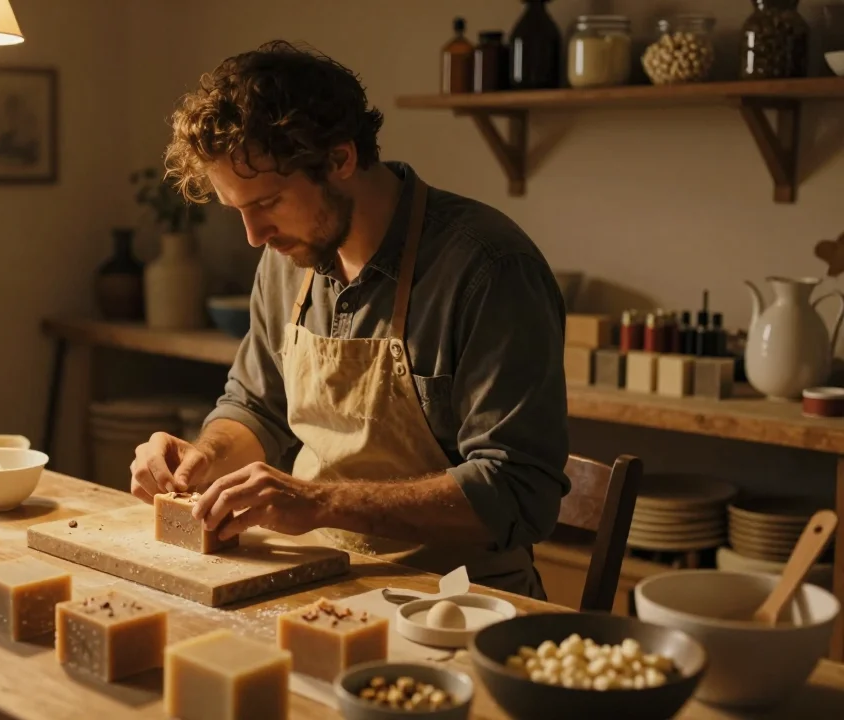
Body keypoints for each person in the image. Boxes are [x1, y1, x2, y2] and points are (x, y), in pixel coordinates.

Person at [130, 41, 569, 598]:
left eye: (266, 203)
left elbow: (519, 490)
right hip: (314, 576)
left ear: (340, 160)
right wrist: (205, 457)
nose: (253, 236)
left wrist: (319, 504)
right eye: (236, 210)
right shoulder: (287, 257)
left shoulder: (489, 269)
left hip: (458, 599)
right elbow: (256, 407)